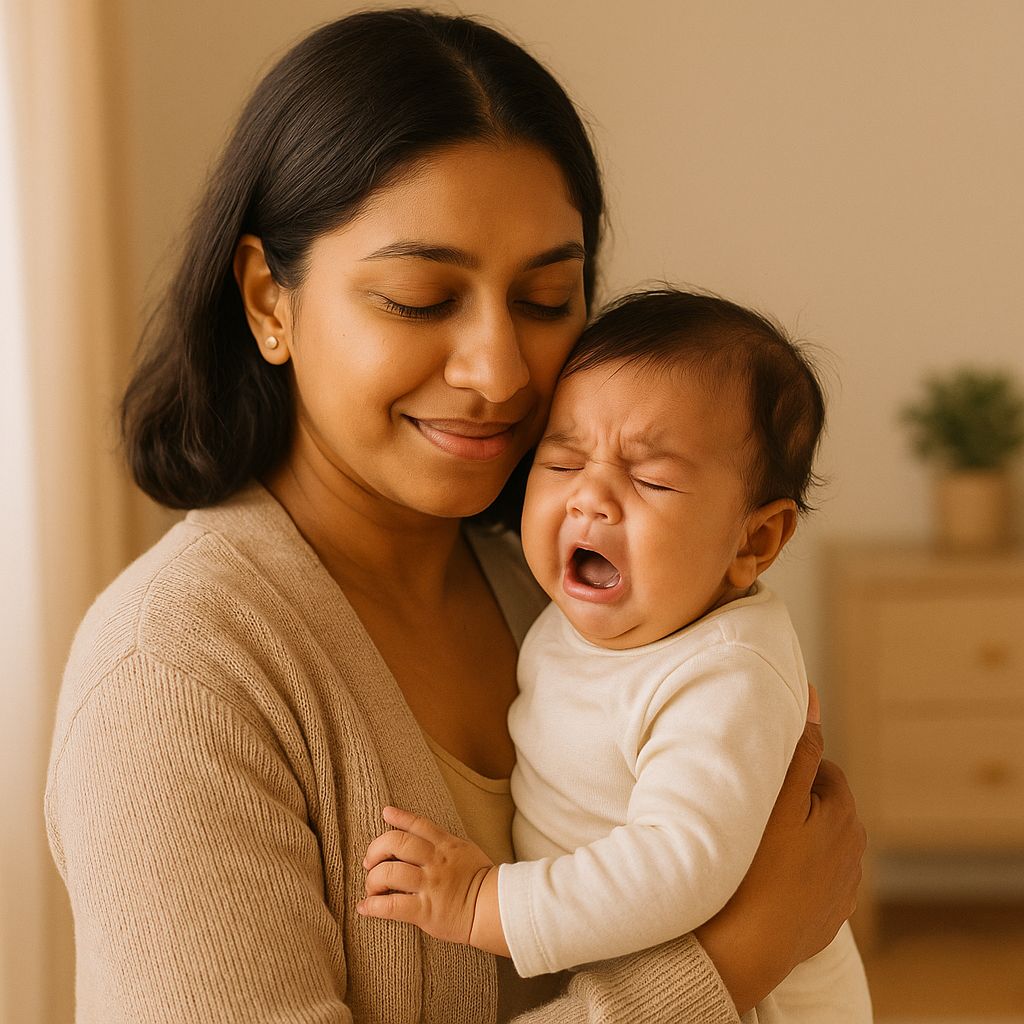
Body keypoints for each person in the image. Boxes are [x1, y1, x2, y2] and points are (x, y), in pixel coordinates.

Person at [44, 10, 865, 1023]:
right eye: (421, 299)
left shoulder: (565, 585)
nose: (498, 371)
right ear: (267, 301)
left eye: (546, 298)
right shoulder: (173, 673)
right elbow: (737, 930)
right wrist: (729, 964)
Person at [359, 289, 873, 1022]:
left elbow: (679, 862)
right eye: (562, 461)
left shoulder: (725, 673)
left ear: (754, 541)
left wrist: (485, 901)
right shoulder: (578, 612)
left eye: (651, 478)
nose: (589, 499)